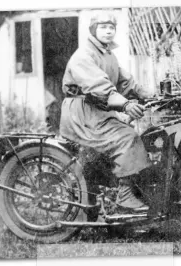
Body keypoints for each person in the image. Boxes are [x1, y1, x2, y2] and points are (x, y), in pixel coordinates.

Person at [59, 11, 151, 211]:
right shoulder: (84, 55)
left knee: (127, 135)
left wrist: (151, 96)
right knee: (128, 137)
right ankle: (125, 197)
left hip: (97, 111)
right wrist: (125, 105)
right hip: (82, 114)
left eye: (112, 27)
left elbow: (126, 81)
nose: (108, 31)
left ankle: (125, 191)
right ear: (93, 30)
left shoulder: (108, 54)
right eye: (103, 27)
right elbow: (99, 86)